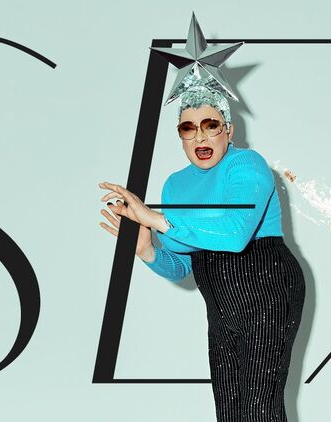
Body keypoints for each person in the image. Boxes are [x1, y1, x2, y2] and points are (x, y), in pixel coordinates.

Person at [98, 77, 305, 421]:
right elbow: (182, 266)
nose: (200, 138)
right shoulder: (175, 185)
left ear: (229, 130)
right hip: (221, 305)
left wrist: (156, 219)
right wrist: (147, 250)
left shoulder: (246, 164)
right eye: (188, 128)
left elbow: (235, 235)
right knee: (229, 412)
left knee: (259, 410)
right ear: (180, 136)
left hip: (267, 289)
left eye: (210, 125)